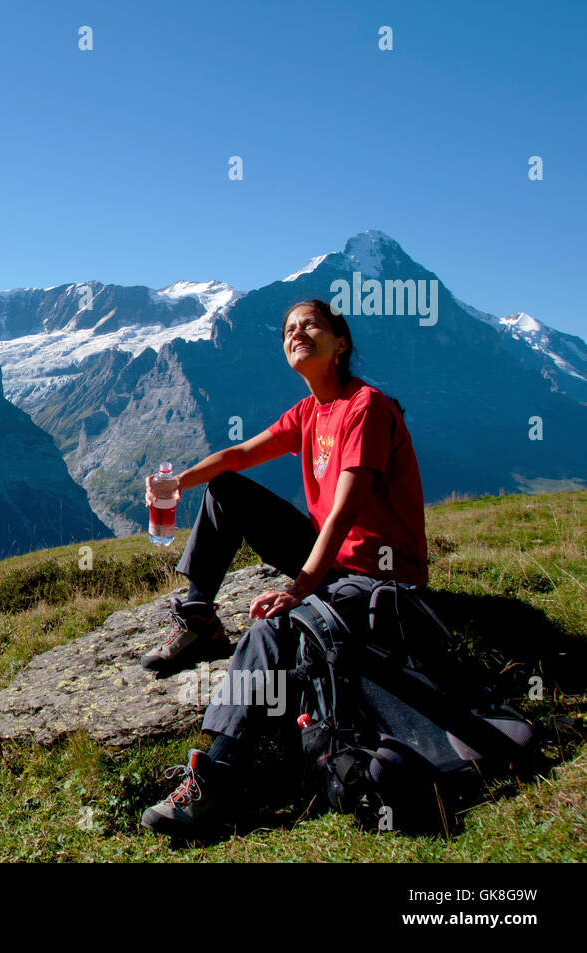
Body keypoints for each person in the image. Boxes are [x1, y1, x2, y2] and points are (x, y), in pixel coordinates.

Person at [138, 298, 428, 834]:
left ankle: (218, 773)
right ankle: (199, 615)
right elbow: (238, 456)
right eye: (288, 328)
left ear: (340, 342)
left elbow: (344, 509)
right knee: (225, 489)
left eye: (310, 325)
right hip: (336, 563)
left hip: (381, 582)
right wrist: (179, 483)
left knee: (274, 627)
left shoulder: (366, 407)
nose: (297, 333)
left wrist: (301, 587)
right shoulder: (309, 413)